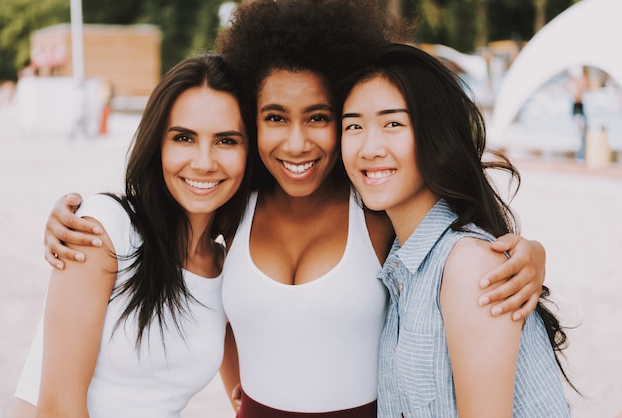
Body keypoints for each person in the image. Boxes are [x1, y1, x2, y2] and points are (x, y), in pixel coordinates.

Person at [42, 1, 548, 416]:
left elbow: (452, 237)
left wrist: (530, 252)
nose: (297, 142)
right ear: (253, 122)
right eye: (276, 117)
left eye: (320, 117)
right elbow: (185, 253)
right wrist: (70, 222)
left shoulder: (373, 207)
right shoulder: (235, 207)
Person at [9, 53, 251, 418]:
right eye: (184, 138)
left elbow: (245, 397)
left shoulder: (228, 267)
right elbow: (58, 408)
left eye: (226, 141)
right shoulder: (104, 230)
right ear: (158, 145)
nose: (204, 161)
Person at [340, 43, 573, 417]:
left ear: (437, 135)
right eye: (353, 125)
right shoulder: (399, 259)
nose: (369, 147)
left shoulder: (469, 267)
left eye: (393, 123)